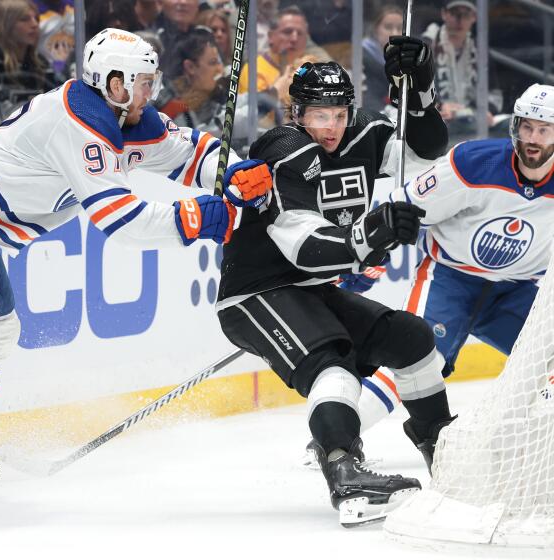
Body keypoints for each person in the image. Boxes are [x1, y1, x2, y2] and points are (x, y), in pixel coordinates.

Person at [0, 27, 273, 524]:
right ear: (115, 84)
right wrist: (206, 218)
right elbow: (121, 221)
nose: (154, 91)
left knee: (1, 332)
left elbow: (187, 152)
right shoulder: (79, 122)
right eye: (145, 82)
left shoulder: (125, 116)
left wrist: (234, 172)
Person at [215, 41, 454, 526]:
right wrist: (367, 236)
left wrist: (422, 92)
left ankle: (443, 450)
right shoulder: (281, 148)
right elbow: (302, 242)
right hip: (256, 293)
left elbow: (425, 151)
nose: (330, 126)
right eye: (318, 114)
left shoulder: (363, 131)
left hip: (308, 289)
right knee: (334, 366)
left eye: (339, 114)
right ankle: (344, 470)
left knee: (412, 339)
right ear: (297, 112)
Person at [355, 84, 554, 435]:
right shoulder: (474, 163)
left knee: (549, 358)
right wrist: (369, 254)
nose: (532, 138)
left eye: (544, 129)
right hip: (449, 278)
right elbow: (401, 209)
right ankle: (338, 436)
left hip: (518, 290)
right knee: (416, 360)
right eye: (526, 127)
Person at [422, 0, 504, 143]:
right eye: (455, 13)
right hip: (437, 118)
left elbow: (495, 94)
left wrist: (482, 110)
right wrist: (439, 105)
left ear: (474, 17)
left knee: (507, 125)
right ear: (444, 14)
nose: (460, 20)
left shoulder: (480, 50)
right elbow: (417, 88)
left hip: (471, 118)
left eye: (466, 15)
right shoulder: (427, 45)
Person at [0, 0, 57, 102]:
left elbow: (58, 95)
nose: (35, 24)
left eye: (36, 18)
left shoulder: (40, 62)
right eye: (25, 19)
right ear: (6, 24)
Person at [361, 5, 402, 112]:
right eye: (388, 27)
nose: (395, 33)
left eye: (400, 28)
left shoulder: (410, 56)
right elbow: (364, 96)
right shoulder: (361, 56)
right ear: (375, 29)